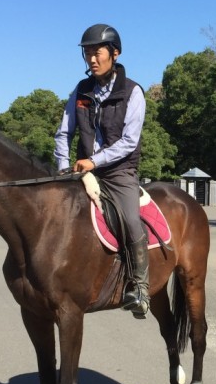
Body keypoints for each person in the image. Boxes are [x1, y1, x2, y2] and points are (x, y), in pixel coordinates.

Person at [54, 24, 149, 318]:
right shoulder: (81, 91)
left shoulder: (133, 92)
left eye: (98, 53)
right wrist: (62, 168)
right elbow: (63, 133)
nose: (92, 59)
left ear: (115, 53)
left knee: (131, 220)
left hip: (119, 173)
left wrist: (95, 161)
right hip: (82, 171)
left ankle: (140, 287)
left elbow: (129, 142)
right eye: (87, 54)